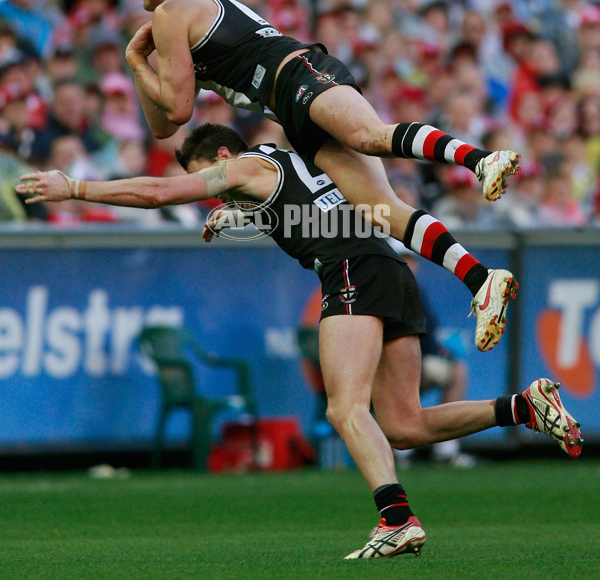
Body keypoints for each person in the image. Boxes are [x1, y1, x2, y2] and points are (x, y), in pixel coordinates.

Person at [17, 123, 583, 560]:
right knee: (405, 424)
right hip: (388, 267)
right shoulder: (283, 162)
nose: (210, 198)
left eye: (207, 183)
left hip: (350, 271)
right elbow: (301, 213)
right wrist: (238, 219)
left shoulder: (238, 166)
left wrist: (77, 187)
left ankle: (396, 518)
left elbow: (163, 192)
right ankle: (522, 406)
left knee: (344, 408)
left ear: (220, 159)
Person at [122, 0, 520, 352]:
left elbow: (178, 111)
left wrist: (136, 62)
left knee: (369, 136)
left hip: (298, 76)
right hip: (290, 104)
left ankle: (481, 159)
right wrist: (136, 62)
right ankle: (481, 279)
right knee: (382, 211)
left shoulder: (173, 11)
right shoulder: (185, 16)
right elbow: (163, 126)